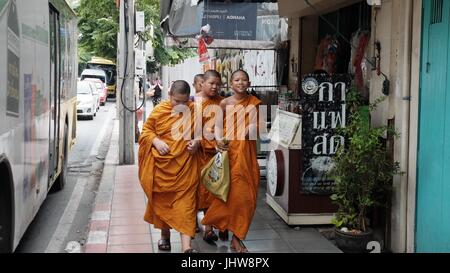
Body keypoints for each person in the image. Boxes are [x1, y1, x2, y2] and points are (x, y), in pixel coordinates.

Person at [201, 69, 262, 253]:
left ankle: (237, 237)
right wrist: (218, 140)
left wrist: (249, 128)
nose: (240, 83)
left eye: (244, 80)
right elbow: (218, 126)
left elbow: (258, 126)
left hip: (246, 156)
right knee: (228, 195)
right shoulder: (224, 103)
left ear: (249, 83)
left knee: (247, 198)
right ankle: (232, 236)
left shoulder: (254, 103)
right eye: (237, 79)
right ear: (231, 83)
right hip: (229, 153)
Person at [138, 80, 201, 253]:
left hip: (186, 167)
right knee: (163, 204)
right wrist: (156, 141)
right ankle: (164, 236)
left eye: (184, 102)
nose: (181, 106)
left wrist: (196, 142)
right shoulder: (160, 111)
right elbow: (146, 132)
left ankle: (187, 248)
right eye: (177, 102)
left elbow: (201, 133)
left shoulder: (194, 110)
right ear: (169, 95)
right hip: (163, 166)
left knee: (186, 206)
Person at [193, 70, 228, 243]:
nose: (215, 87)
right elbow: (192, 129)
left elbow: (228, 126)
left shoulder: (223, 102)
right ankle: (203, 226)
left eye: (218, 84)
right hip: (199, 154)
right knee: (202, 191)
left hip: (219, 154)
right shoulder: (195, 102)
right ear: (203, 83)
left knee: (218, 191)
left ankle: (215, 226)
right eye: (211, 83)